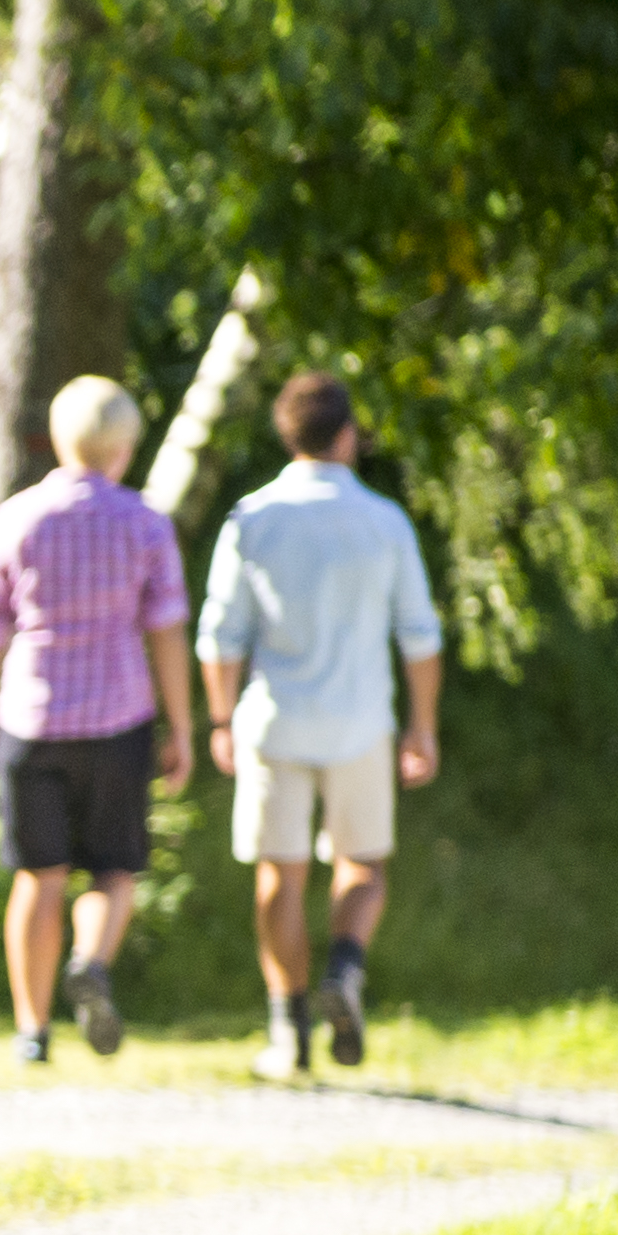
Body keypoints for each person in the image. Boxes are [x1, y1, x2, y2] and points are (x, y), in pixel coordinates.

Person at [193, 368, 442, 1082]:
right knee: (362, 864)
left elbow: (220, 636)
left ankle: (288, 1028)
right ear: (347, 435)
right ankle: (345, 966)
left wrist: (219, 719)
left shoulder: (252, 518)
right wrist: (422, 726)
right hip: (360, 721)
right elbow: (420, 636)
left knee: (279, 871)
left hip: (275, 720)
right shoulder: (384, 521)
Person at [0, 375, 197, 1060]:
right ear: (124, 448)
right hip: (119, 721)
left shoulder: (17, 518)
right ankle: (90, 959)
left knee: (39, 877)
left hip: (32, 720)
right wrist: (182, 727)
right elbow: (167, 629)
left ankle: (32, 1029)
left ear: (59, 439)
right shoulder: (144, 523)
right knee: (114, 872)